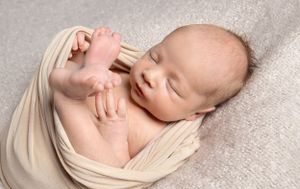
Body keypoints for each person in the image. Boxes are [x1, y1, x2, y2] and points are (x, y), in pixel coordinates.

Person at [48, 24, 252, 168]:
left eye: (172, 86)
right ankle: (85, 71)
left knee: (106, 164)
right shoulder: (124, 74)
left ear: (196, 112)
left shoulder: (157, 136)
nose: (150, 75)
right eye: (154, 58)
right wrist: (78, 50)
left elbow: (120, 174)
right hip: (47, 128)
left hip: (79, 154)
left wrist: (115, 137)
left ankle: (70, 97)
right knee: (67, 70)